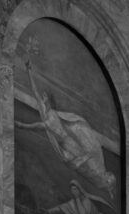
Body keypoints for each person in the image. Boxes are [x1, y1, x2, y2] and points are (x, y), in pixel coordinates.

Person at [16, 63, 118, 201]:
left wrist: (29, 72)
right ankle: (106, 185)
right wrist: (21, 125)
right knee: (86, 166)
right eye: (43, 97)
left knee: (93, 165)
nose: (43, 97)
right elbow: (34, 100)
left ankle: (108, 186)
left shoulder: (53, 114)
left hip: (70, 142)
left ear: (49, 100)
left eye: (45, 97)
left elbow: (37, 94)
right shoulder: (46, 121)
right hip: (66, 147)